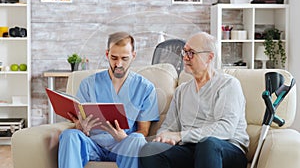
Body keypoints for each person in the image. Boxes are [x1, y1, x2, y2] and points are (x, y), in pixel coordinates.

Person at [139, 32, 249, 168]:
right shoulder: (182, 91)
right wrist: (163, 136)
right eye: (184, 52)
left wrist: (181, 136)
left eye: (191, 53)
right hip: (191, 149)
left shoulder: (228, 85)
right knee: (150, 150)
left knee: (207, 144)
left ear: (209, 57)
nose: (185, 57)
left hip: (226, 149)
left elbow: (226, 129)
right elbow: (168, 127)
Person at [58, 31, 159, 168]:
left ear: (133, 56)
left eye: (124, 58)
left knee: (138, 139)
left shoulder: (145, 88)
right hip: (93, 144)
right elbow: (79, 117)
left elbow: (144, 131)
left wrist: (123, 138)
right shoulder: (88, 84)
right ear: (107, 55)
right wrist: (81, 128)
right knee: (70, 135)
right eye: (114, 58)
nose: (118, 64)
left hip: (123, 146)